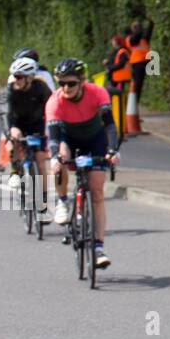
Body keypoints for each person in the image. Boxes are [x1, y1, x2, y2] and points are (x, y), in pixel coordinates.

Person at [46, 58, 119, 267]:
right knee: (60, 157)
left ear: (82, 81)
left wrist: (113, 150)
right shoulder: (54, 101)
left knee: (96, 191)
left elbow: (111, 126)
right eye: (61, 84)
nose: (66, 88)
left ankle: (98, 248)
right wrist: (55, 158)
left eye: (71, 83)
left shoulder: (97, 93)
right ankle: (62, 201)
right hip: (68, 138)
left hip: (95, 139)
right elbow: (53, 136)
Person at [0, 56, 52, 195]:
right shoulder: (10, 90)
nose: (16, 79)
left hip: (36, 124)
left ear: (30, 77)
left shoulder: (41, 87)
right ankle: (15, 170)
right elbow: (5, 112)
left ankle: (43, 197)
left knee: (40, 162)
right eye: (15, 76)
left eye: (20, 76)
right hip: (17, 123)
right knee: (14, 138)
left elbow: (52, 108)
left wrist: (52, 128)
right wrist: (9, 132)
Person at [126, 20, 152, 135]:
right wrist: (138, 28)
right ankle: (133, 109)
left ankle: (134, 109)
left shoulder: (142, 38)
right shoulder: (131, 39)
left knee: (139, 87)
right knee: (136, 87)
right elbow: (138, 35)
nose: (138, 28)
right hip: (137, 64)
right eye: (136, 27)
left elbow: (147, 34)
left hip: (144, 63)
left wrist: (151, 24)